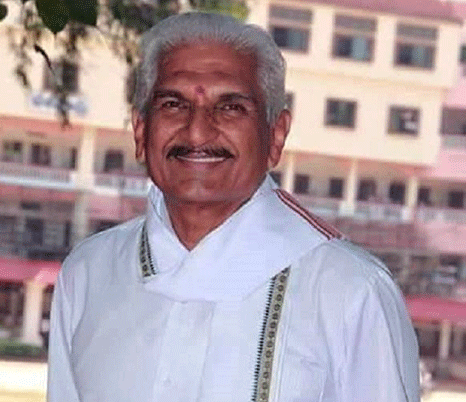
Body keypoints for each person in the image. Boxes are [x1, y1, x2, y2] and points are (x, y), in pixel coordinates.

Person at [47, 12, 419, 402]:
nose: (197, 131)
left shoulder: (351, 290)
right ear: (141, 132)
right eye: (173, 104)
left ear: (275, 136)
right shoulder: (88, 274)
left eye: (230, 108)